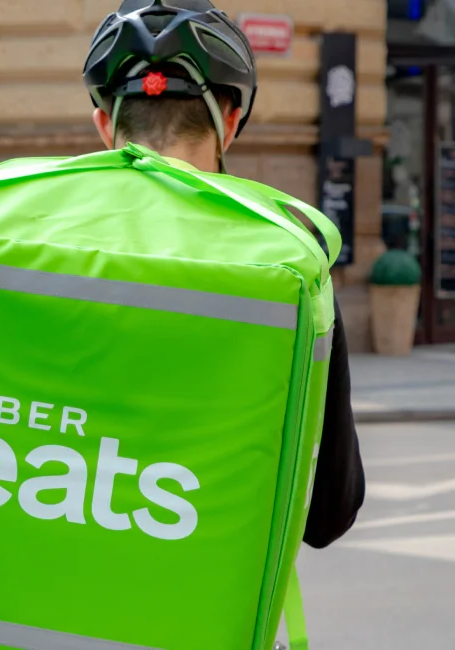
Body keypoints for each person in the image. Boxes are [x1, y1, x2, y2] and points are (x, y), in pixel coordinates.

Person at [83, 0, 364, 550]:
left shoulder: (17, 241)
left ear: (103, 123)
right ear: (230, 122)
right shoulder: (287, 256)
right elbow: (327, 513)